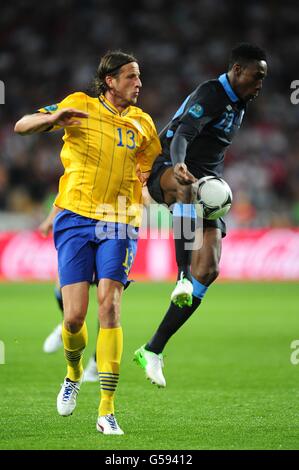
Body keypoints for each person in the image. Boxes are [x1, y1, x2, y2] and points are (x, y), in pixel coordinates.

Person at [15, 50, 161, 434]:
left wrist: (171, 186)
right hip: (75, 217)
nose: (139, 83)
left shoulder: (144, 125)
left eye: (139, 76)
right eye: (131, 76)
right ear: (110, 81)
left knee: (110, 305)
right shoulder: (78, 104)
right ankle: (73, 373)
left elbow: (150, 177)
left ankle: (107, 409)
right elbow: (21, 125)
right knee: (74, 316)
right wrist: (52, 119)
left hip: (119, 219)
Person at [134, 43, 267, 387]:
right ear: (237, 70)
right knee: (185, 190)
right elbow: (182, 134)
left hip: (205, 182)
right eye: (256, 77)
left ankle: (153, 349)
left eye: (263, 80)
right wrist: (178, 164)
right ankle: (179, 276)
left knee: (208, 270)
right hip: (167, 167)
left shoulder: (240, 103)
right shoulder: (211, 94)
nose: (259, 86)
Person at [39, 205, 98, 382]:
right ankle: (65, 322)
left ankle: (96, 364)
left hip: (111, 227)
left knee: (109, 303)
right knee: (61, 287)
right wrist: (50, 219)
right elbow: (65, 189)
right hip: (79, 224)